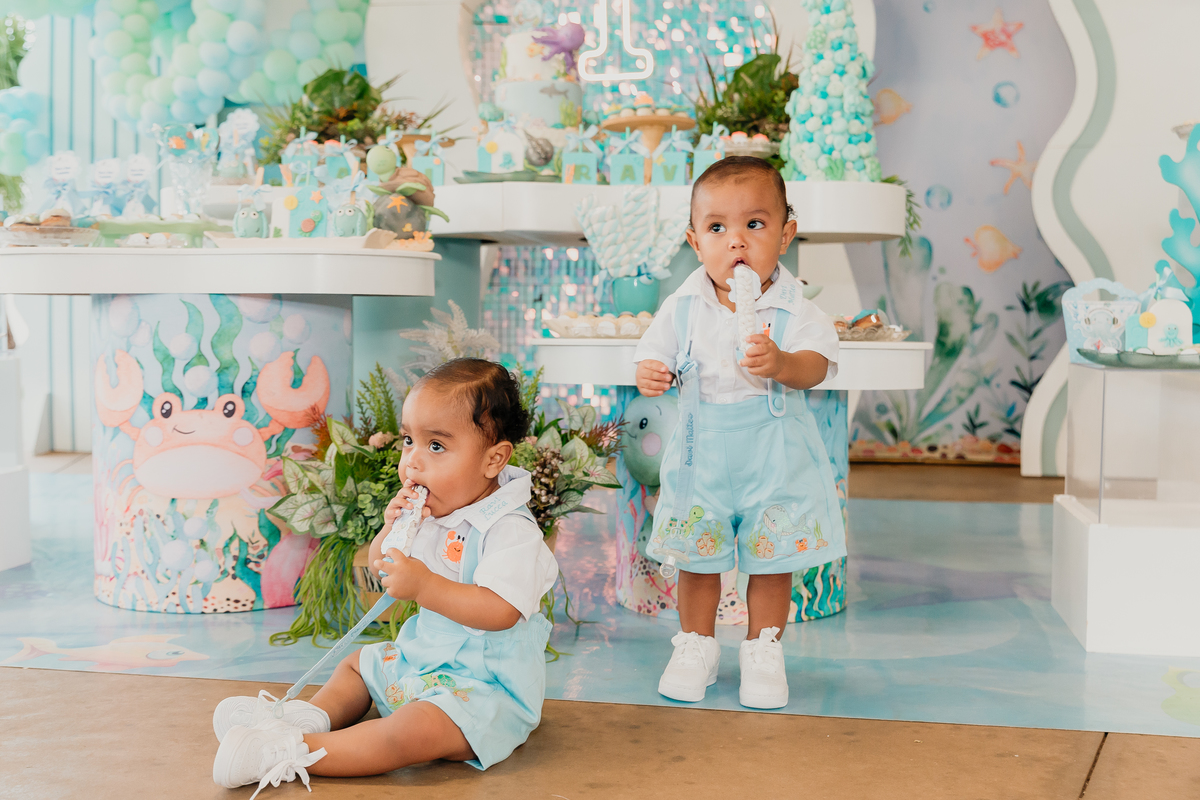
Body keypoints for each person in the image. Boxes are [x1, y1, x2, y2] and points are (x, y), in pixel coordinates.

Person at [210, 358, 558, 797]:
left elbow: (502, 610)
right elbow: (382, 566)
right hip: (422, 659)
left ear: (493, 460)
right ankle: (309, 717)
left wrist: (426, 586)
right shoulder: (437, 507)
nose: (413, 461)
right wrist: (390, 531)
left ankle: (291, 751)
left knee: (412, 730)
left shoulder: (510, 529)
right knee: (357, 664)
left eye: (436, 446)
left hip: (483, 686)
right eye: (409, 440)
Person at [634, 156, 847, 709]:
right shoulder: (682, 307)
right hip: (700, 455)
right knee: (697, 557)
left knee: (770, 560)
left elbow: (818, 365)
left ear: (785, 235)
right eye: (716, 228)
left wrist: (782, 363)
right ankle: (696, 646)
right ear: (694, 242)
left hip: (773, 457)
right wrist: (652, 374)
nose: (736, 242)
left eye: (754, 224)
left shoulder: (795, 307)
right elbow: (652, 358)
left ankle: (763, 648)